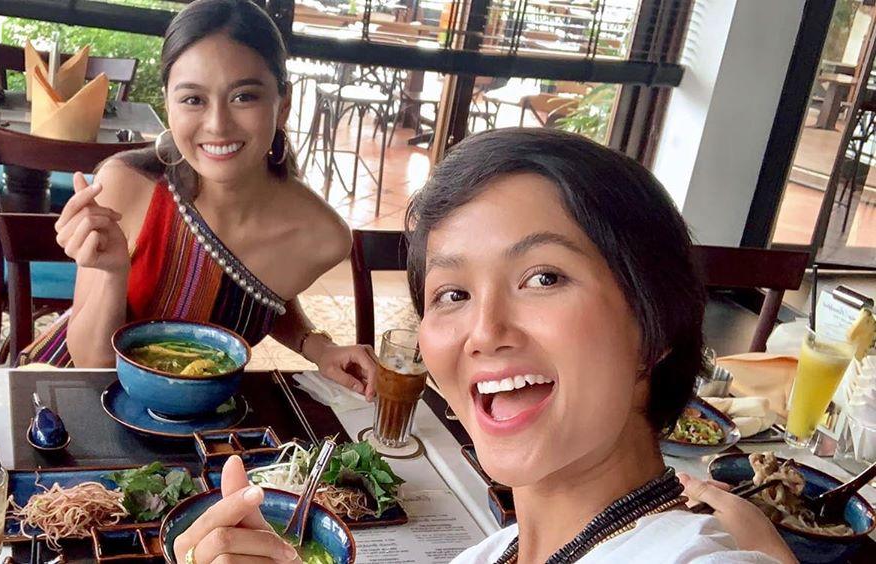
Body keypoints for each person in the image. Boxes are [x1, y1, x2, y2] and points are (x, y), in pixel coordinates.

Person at [171, 128, 797, 564]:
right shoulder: (495, 552)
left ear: (653, 322)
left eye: (543, 278)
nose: (485, 330)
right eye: (453, 293)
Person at [29, 0, 377, 397]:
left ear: (284, 105)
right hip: (71, 395)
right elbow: (93, 366)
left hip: (201, 420)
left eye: (244, 97)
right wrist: (112, 273)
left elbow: (259, 297)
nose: (217, 125)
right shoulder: (126, 185)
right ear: (168, 104)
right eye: (193, 99)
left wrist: (318, 347)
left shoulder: (322, 237)